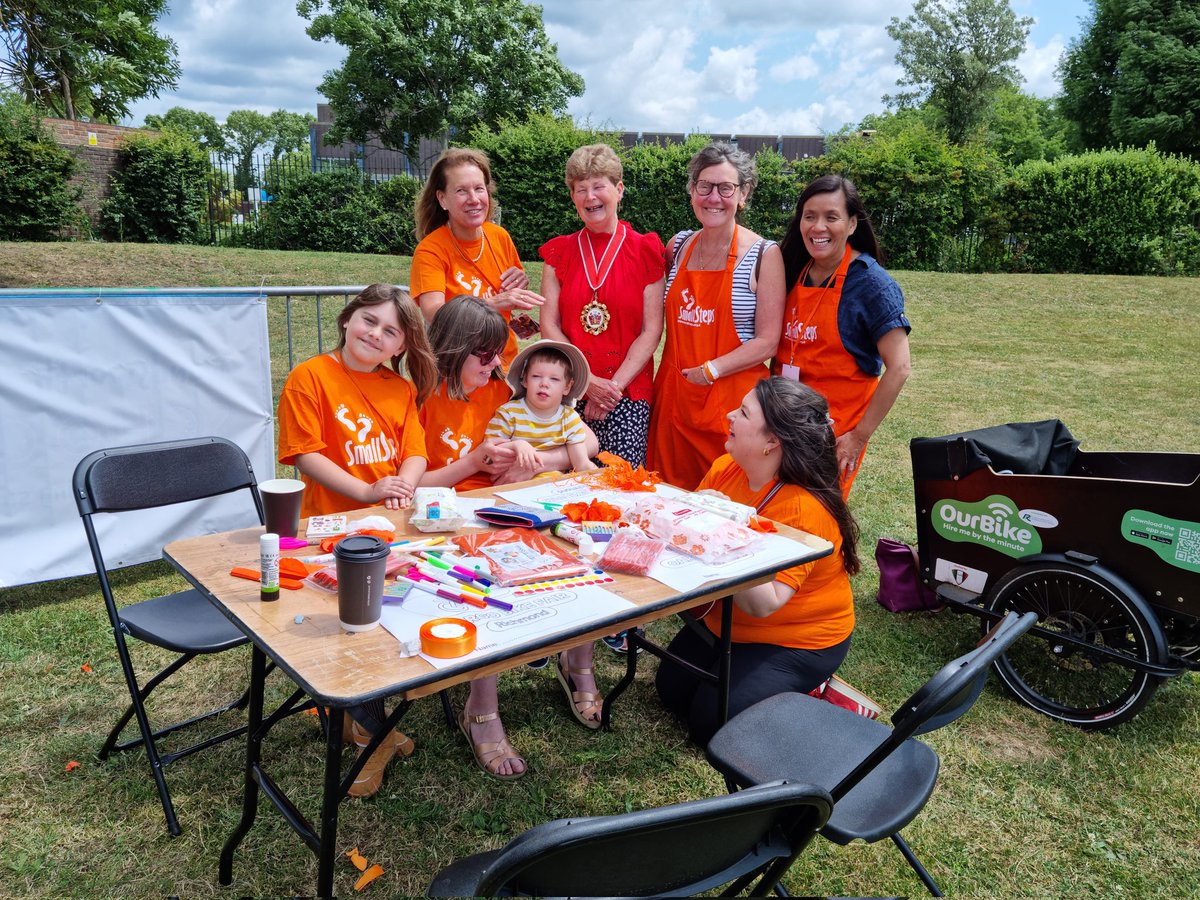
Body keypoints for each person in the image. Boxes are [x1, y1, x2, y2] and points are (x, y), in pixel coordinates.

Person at [418, 298, 603, 779]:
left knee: (585, 553)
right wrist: (476, 463)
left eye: (499, 356)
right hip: (451, 515)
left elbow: (587, 442)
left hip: (510, 506)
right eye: (488, 356)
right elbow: (412, 484)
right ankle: (481, 708)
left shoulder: (495, 388)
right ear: (456, 351)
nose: (499, 366)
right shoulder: (418, 395)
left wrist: (548, 459)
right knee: (490, 586)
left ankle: (577, 660)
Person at [276, 283, 438, 797]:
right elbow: (306, 454)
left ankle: (354, 720)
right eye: (370, 320)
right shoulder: (310, 376)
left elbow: (415, 451)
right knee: (349, 623)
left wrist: (403, 484)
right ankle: (372, 732)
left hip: (390, 527)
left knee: (385, 619)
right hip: (329, 529)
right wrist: (368, 490)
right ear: (348, 319)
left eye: (391, 330)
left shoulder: (400, 388)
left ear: (400, 347)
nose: (376, 334)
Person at [654, 377, 860, 746]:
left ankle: (817, 689)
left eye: (744, 412)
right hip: (729, 623)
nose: (730, 414)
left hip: (796, 639)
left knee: (711, 726)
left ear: (771, 442)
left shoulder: (803, 510)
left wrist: (723, 529)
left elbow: (765, 603)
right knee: (670, 691)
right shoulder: (727, 468)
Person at [646, 141, 785, 491]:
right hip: (674, 403)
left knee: (724, 507)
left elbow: (768, 341)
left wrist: (712, 370)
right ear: (692, 190)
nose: (713, 198)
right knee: (665, 500)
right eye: (704, 186)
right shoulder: (677, 246)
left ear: (743, 193)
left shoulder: (763, 255)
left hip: (734, 411)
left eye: (726, 188)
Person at [774, 174, 912, 497]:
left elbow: (900, 367)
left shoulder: (872, 285)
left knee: (814, 523)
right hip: (781, 426)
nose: (817, 227)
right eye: (810, 216)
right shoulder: (792, 267)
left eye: (831, 217)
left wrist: (858, 436)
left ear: (852, 224)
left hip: (831, 438)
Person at [538, 143, 665, 467]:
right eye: (582, 189)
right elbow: (549, 326)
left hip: (626, 395)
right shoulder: (558, 254)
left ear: (619, 189)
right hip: (568, 392)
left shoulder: (646, 251)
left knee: (619, 493)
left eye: (599, 186)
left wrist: (611, 389)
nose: (590, 197)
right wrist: (587, 383)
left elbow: (652, 331)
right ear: (573, 197)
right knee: (560, 492)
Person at [410, 147, 544, 368]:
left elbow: (509, 290)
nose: (474, 199)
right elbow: (435, 314)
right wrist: (493, 303)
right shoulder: (430, 250)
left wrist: (520, 281)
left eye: (479, 189)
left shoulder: (499, 236)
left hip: (503, 368)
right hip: (458, 373)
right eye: (461, 191)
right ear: (442, 199)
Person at [485, 340, 598, 485]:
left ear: (567, 387)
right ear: (525, 380)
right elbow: (489, 454)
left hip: (554, 486)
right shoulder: (509, 413)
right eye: (536, 376)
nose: (544, 383)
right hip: (512, 485)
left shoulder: (569, 418)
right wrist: (517, 445)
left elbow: (582, 464)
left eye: (554, 379)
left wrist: (599, 477)